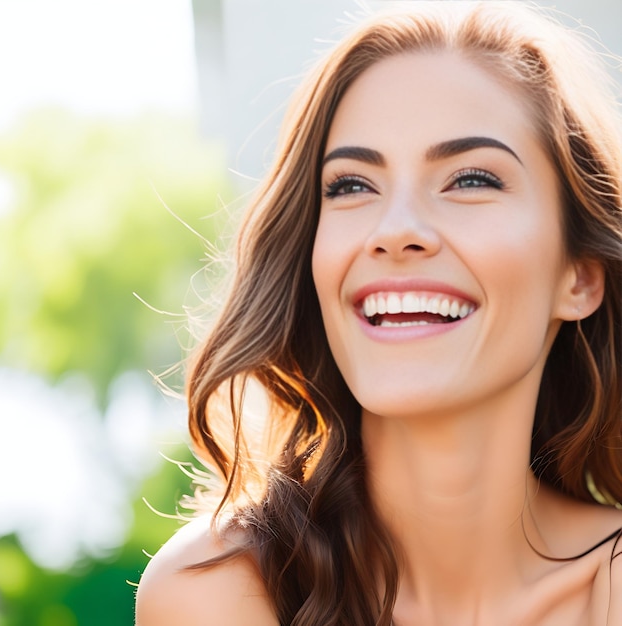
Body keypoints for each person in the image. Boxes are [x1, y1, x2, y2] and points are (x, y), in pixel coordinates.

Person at [135, 2, 622, 624]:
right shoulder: (221, 595)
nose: (395, 231)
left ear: (578, 277)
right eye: (351, 185)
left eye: (470, 179)